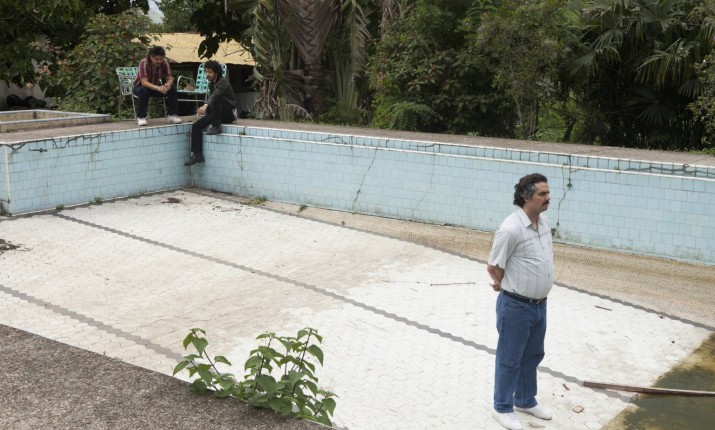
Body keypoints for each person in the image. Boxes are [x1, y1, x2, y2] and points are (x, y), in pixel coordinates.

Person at [487, 173, 554, 430]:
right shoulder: (511, 228)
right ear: (527, 197)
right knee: (510, 359)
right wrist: (505, 283)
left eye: (548, 193)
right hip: (516, 306)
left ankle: (525, 400)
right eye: (542, 194)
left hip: (539, 305)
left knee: (533, 355)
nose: (548, 197)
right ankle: (502, 407)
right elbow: (493, 266)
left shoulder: (544, 223)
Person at [184, 60, 237, 166]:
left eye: (210, 72)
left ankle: (216, 127)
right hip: (217, 114)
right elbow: (212, 101)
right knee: (196, 126)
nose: (207, 74)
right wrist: (205, 112)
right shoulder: (211, 84)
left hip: (229, 114)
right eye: (206, 72)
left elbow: (215, 95)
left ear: (216, 72)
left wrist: (205, 105)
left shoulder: (223, 82)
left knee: (217, 98)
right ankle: (197, 155)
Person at [133, 46, 183, 126]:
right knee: (144, 90)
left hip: (154, 88)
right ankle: (141, 117)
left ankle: (172, 115)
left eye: (161, 59)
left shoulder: (165, 62)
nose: (159, 61)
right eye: (156, 59)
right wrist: (158, 88)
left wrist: (168, 84)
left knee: (172, 88)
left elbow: (170, 78)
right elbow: (144, 82)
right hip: (139, 88)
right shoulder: (144, 62)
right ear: (151, 57)